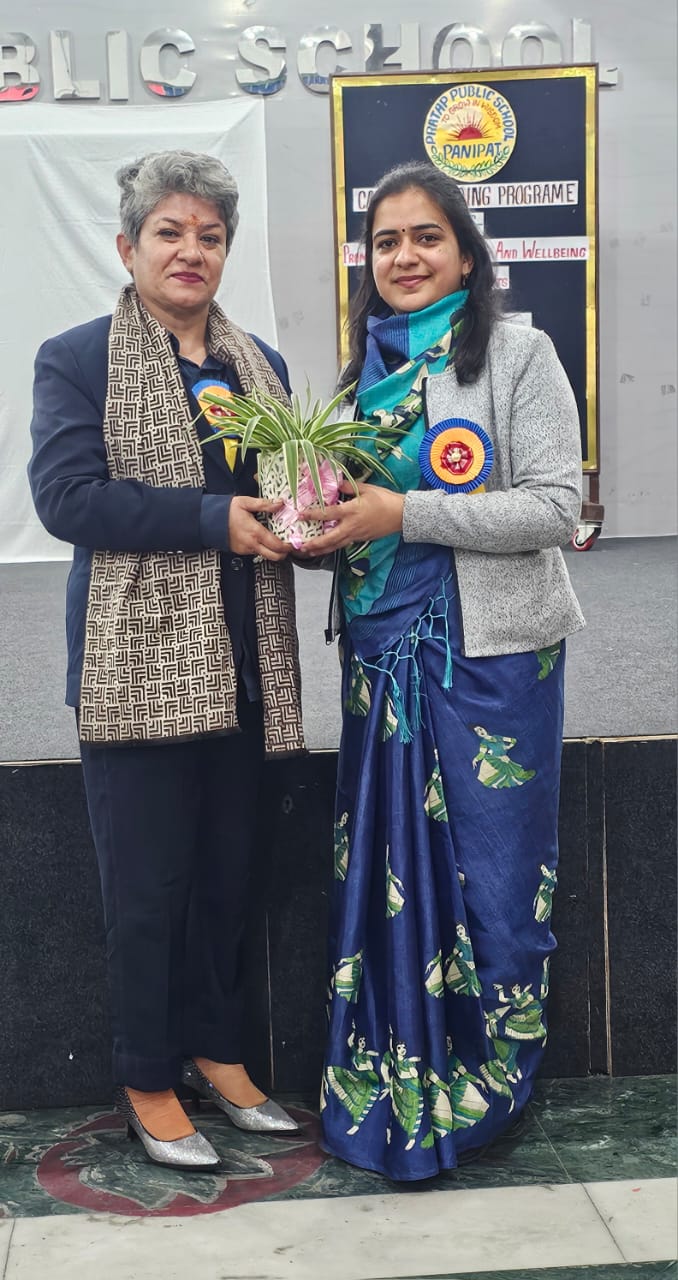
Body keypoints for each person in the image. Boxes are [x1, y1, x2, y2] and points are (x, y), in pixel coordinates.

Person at [301, 160, 585, 1180]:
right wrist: (317, 529)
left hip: (490, 660)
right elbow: (353, 525)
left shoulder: (517, 353)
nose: (406, 256)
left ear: (467, 254)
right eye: (387, 241)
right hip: (381, 658)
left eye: (427, 237)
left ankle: (489, 1076)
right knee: (388, 867)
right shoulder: (354, 382)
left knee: (497, 874)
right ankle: (393, 1066)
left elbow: (556, 506)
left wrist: (402, 512)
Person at [29, 150, 303, 1170]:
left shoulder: (258, 364)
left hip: (244, 663)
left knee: (228, 878)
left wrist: (309, 520)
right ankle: (148, 1074)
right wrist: (210, 519)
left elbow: (286, 486)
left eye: (211, 235)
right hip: (135, 667)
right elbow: (68, 499)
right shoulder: (78, 358)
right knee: (147, 892)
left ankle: (218, 1051)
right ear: (127, 246)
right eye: (170, 232)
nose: (192, 251)